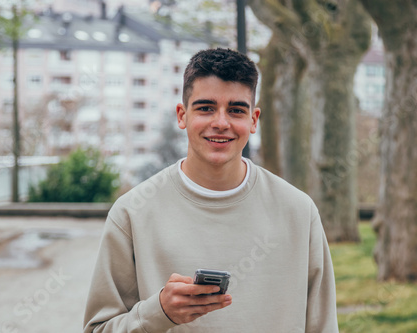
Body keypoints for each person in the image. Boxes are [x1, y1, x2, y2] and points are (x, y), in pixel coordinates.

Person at [83, 48, 339, 332]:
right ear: (182, 116)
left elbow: (323, 325)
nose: (221, 122)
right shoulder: (132, 212)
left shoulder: (298, 211)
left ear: (254, 120)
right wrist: (159, 312)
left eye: (236, 110)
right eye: (205, 108)